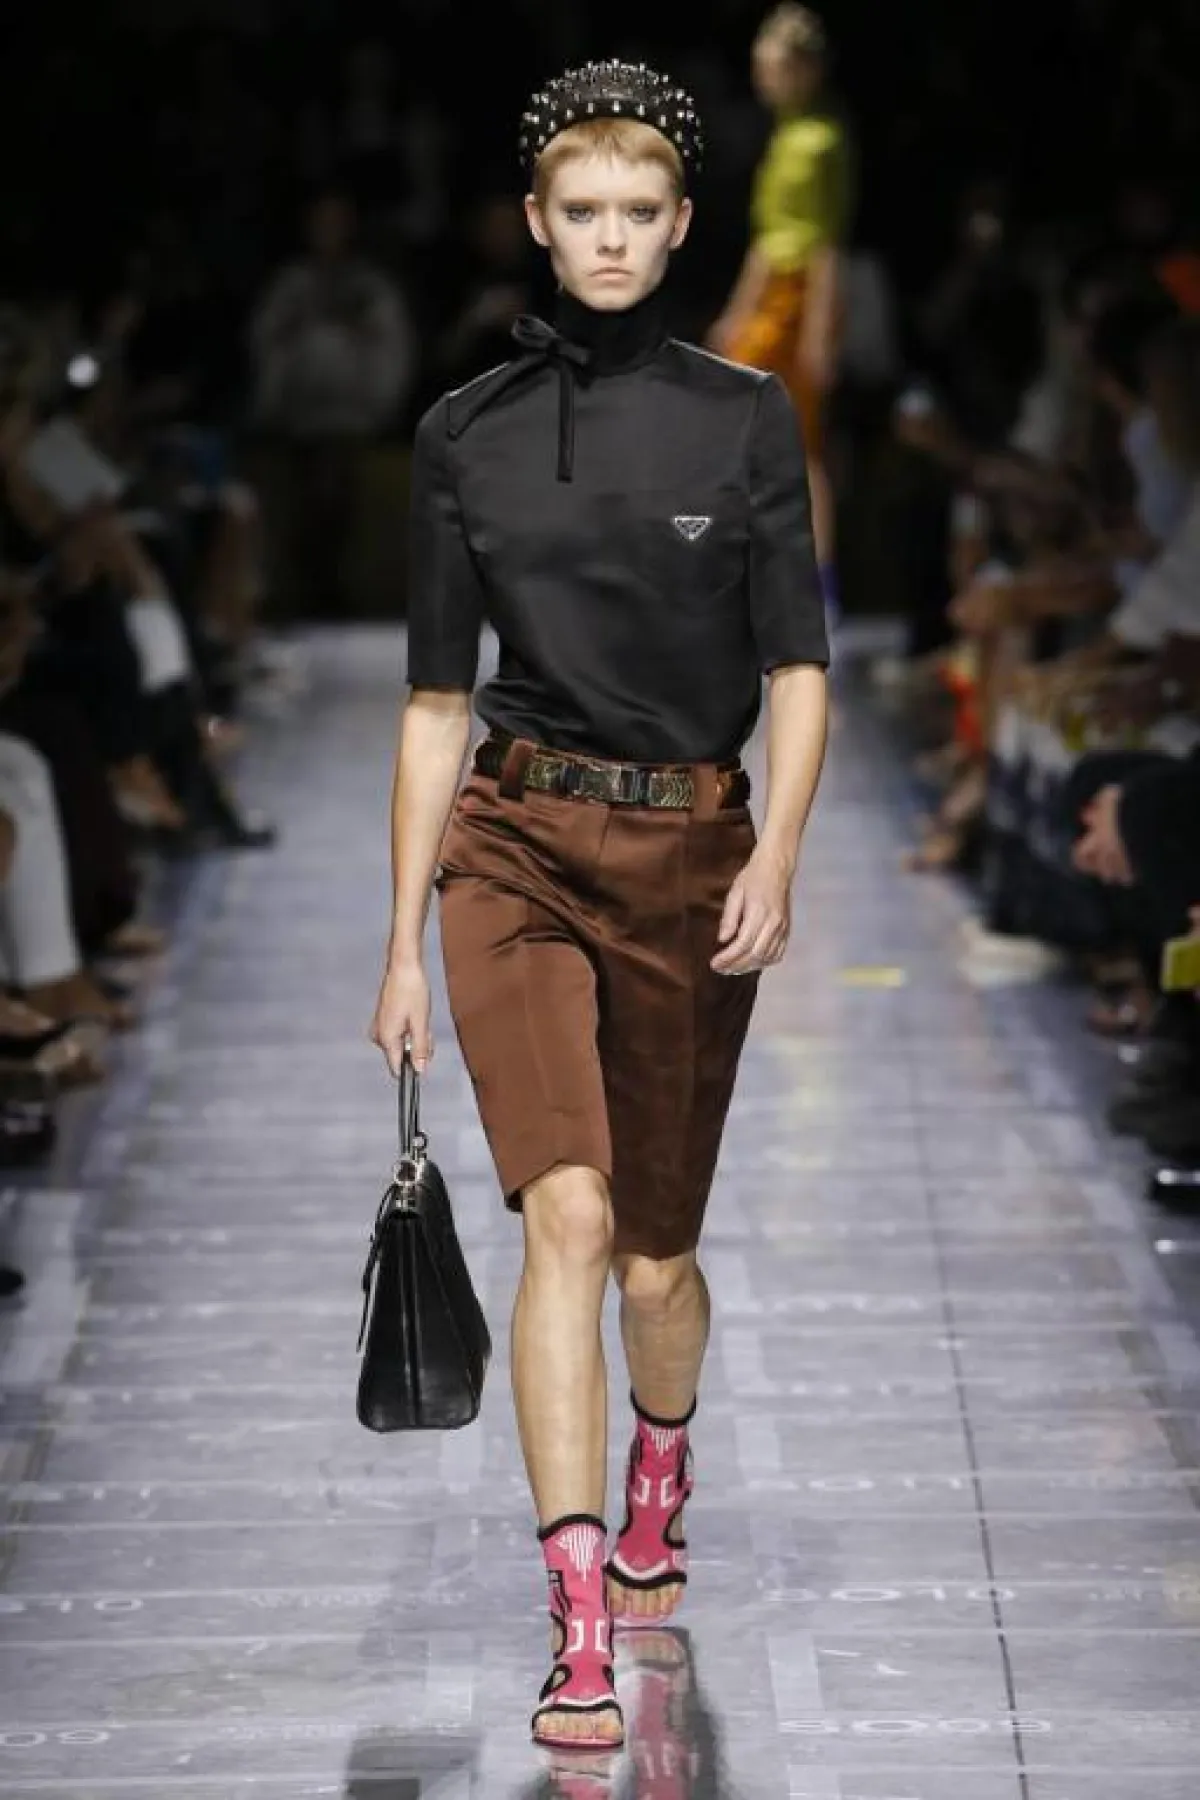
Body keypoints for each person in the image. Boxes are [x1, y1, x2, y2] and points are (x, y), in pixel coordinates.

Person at [369, 59, 829, 1758]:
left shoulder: (745, 419)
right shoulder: (465, 434)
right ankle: (575, 1620)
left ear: (684, 222)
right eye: (585, 213)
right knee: (562, 1220)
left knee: (654, 1261)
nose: (613, 238)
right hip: (514, 845)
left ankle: (661, 1462)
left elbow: (797, 666)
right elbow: (436, 700)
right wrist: (399, 941)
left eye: (641, 212)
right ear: (539, 224)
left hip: (691, 855)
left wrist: (778, 853)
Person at [708, 4, 852, 604]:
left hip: (797, 300)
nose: (763, 78)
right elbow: (767, 238)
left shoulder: (820, 142)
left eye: (773, 67)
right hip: (773, 297)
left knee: (795, 441)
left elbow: (824, 242)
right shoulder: (787, 137)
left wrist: (820, 325)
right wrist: (738, 311)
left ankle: (814, 585)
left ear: (806, 69)